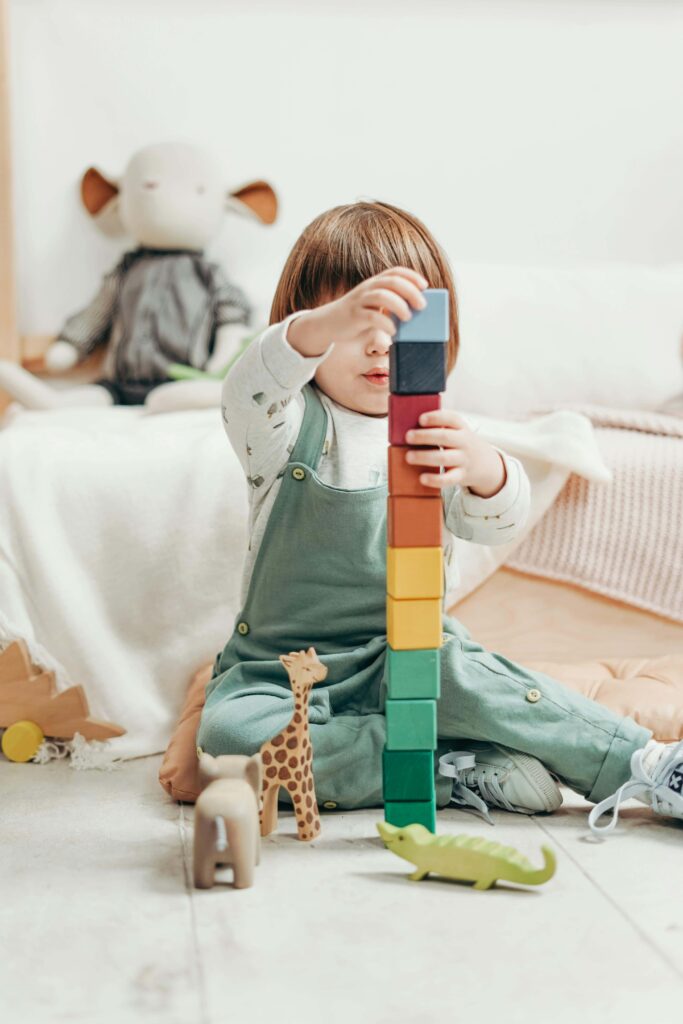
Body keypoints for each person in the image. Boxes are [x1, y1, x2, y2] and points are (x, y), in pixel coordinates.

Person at [197, 200, 683, 837]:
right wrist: (323, 325)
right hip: (280, 671)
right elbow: (246, 389)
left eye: (398, 322)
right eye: (356, 321)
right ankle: (454, 768)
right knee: (228, 739)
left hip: (407, 651)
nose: (377, 341)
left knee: (468, 675)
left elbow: (496, 524)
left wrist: (487, 469)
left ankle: (644, 763)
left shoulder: (434, 433)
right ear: (307, 327)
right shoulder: (283, 430)